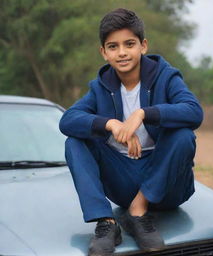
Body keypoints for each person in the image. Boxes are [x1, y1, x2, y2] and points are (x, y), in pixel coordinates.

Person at [59, 8, 203, 256]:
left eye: (129, 44)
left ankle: (138, 211)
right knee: (75, 141)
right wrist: (112, 125)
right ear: (104, 53)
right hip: (123, 176)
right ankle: (106, 222)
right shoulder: (100, 86)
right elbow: (68, 120)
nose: (122, 52)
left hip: (165, 185)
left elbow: (193, 111)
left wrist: (142, 114)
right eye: (113, 46)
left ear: (143, 46)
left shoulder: (166, 77)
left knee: (183, 135)